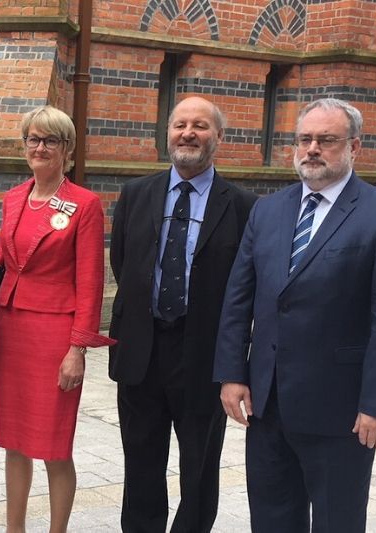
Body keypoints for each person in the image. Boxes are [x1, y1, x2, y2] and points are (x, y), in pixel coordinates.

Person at [214, 98, 376, 533]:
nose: (312, 149)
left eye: (326, 140)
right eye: (304, 139)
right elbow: (238, 297)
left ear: (354, 147)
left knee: (337, 522)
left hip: (341, 410)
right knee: (271, 519)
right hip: (268, 403)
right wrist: (232, 373)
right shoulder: (268, 209)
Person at [108, 96, 257, 532]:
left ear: (219, 136)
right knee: (141, 463)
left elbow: (246, 286)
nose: (188, 133)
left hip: (204, 357)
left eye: (200, 126)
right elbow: (124, 264)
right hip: (142, 351)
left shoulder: (244, 205)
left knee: (200, 468)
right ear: (168, 133)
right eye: (180, 125)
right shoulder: (136, 194)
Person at [0, 105, 114, 533]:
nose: (40, 147)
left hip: (55, 335)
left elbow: (90, 281)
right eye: (33, 139)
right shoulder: (13, 197)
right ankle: (14, 528)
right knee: (14, 441)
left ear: (66, 148)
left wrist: (78, 348)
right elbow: (1, 266)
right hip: (12, 327)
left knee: (55, 445)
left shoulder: (85, 204)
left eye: (50, 140)